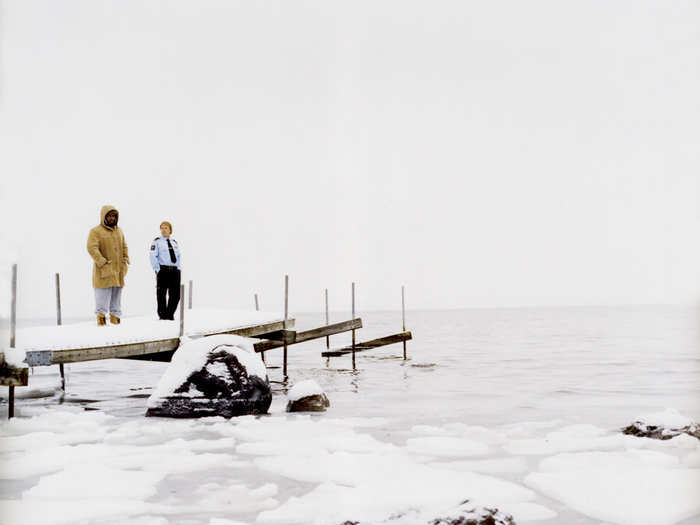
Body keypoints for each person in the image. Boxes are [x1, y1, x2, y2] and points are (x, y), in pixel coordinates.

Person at [87, 205, 130, 326]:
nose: (112, 218)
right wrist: (102, 262)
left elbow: (124, 246)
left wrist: (125, 260)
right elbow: (91, 248)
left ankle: (115, 319)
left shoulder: (119, 230)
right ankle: (101, 321)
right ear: (103, 217)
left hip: (118, 270)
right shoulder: (95, 231)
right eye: (109, 216)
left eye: (114, 216)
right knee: (102, 295)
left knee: (117, 296)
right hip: (104, 270)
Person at [149, 221, 182, 320]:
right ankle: (163, 317)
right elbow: (152, 256)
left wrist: (178, 269)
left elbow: (178, 256)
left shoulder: (174, 242)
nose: (163, 230)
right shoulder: (157, 242)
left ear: (170, 230)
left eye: (166, 228)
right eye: (162, 228)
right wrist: (157, 269)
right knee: (161, 295)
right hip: (163, 270)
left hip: (175, 271)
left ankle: (169, 315)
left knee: (176, 295)